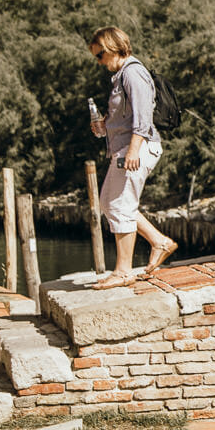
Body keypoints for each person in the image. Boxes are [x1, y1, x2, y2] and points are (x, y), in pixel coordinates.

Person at [87, 26, 177, 289]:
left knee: (121, 205)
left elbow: (143, 117)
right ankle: (159, 241)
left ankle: (124, 271)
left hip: (138, 147)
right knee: (109, 202)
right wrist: (105, 125)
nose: (100, 62)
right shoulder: (121, 75)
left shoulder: (134, 72)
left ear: (114, 47)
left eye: (100, 55)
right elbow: (125, 116)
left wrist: (133, 150)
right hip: (126, 146)